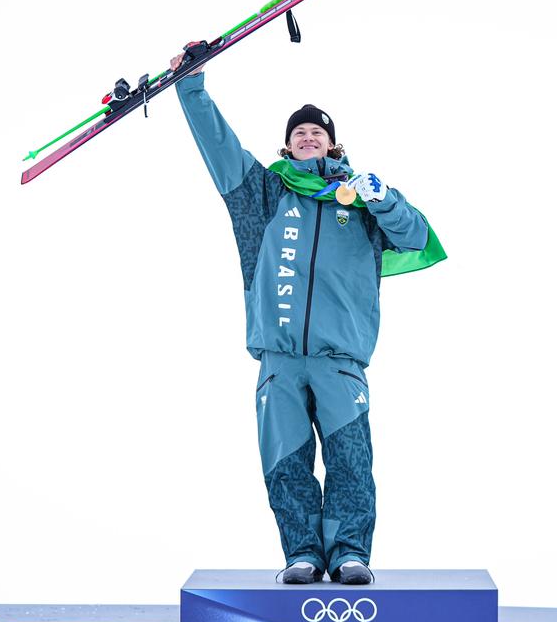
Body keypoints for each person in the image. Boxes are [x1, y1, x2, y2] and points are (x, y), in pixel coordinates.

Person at [170, 48, 443, 585]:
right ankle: (302, 554)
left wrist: (383, 198)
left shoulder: (363, 203)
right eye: (299, 132)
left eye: (318, 132)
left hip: (340, 360)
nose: (308, 136)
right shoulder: (262, 195)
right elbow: (220, 147)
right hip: (279, 360)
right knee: (285, 463)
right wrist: (190, 85)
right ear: (288, 145)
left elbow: (415, 236)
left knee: (350, 461)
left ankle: (349, 554)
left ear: (333, 143)